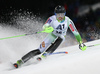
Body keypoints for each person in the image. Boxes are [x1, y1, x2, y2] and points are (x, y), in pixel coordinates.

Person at [13, 5, 87, 68]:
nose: (60, 16)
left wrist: (80, 42)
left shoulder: (68, 21)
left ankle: (46, 54)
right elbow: (45, 26)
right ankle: (21, 61)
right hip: (52, 35)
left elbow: (76, 32)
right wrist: (47, 28)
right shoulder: (52, 18)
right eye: (58, 15)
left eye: (62, 14)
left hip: (61, 36)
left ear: (64, 14)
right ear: (55, 14)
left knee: (61, 38)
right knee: (39, 50)